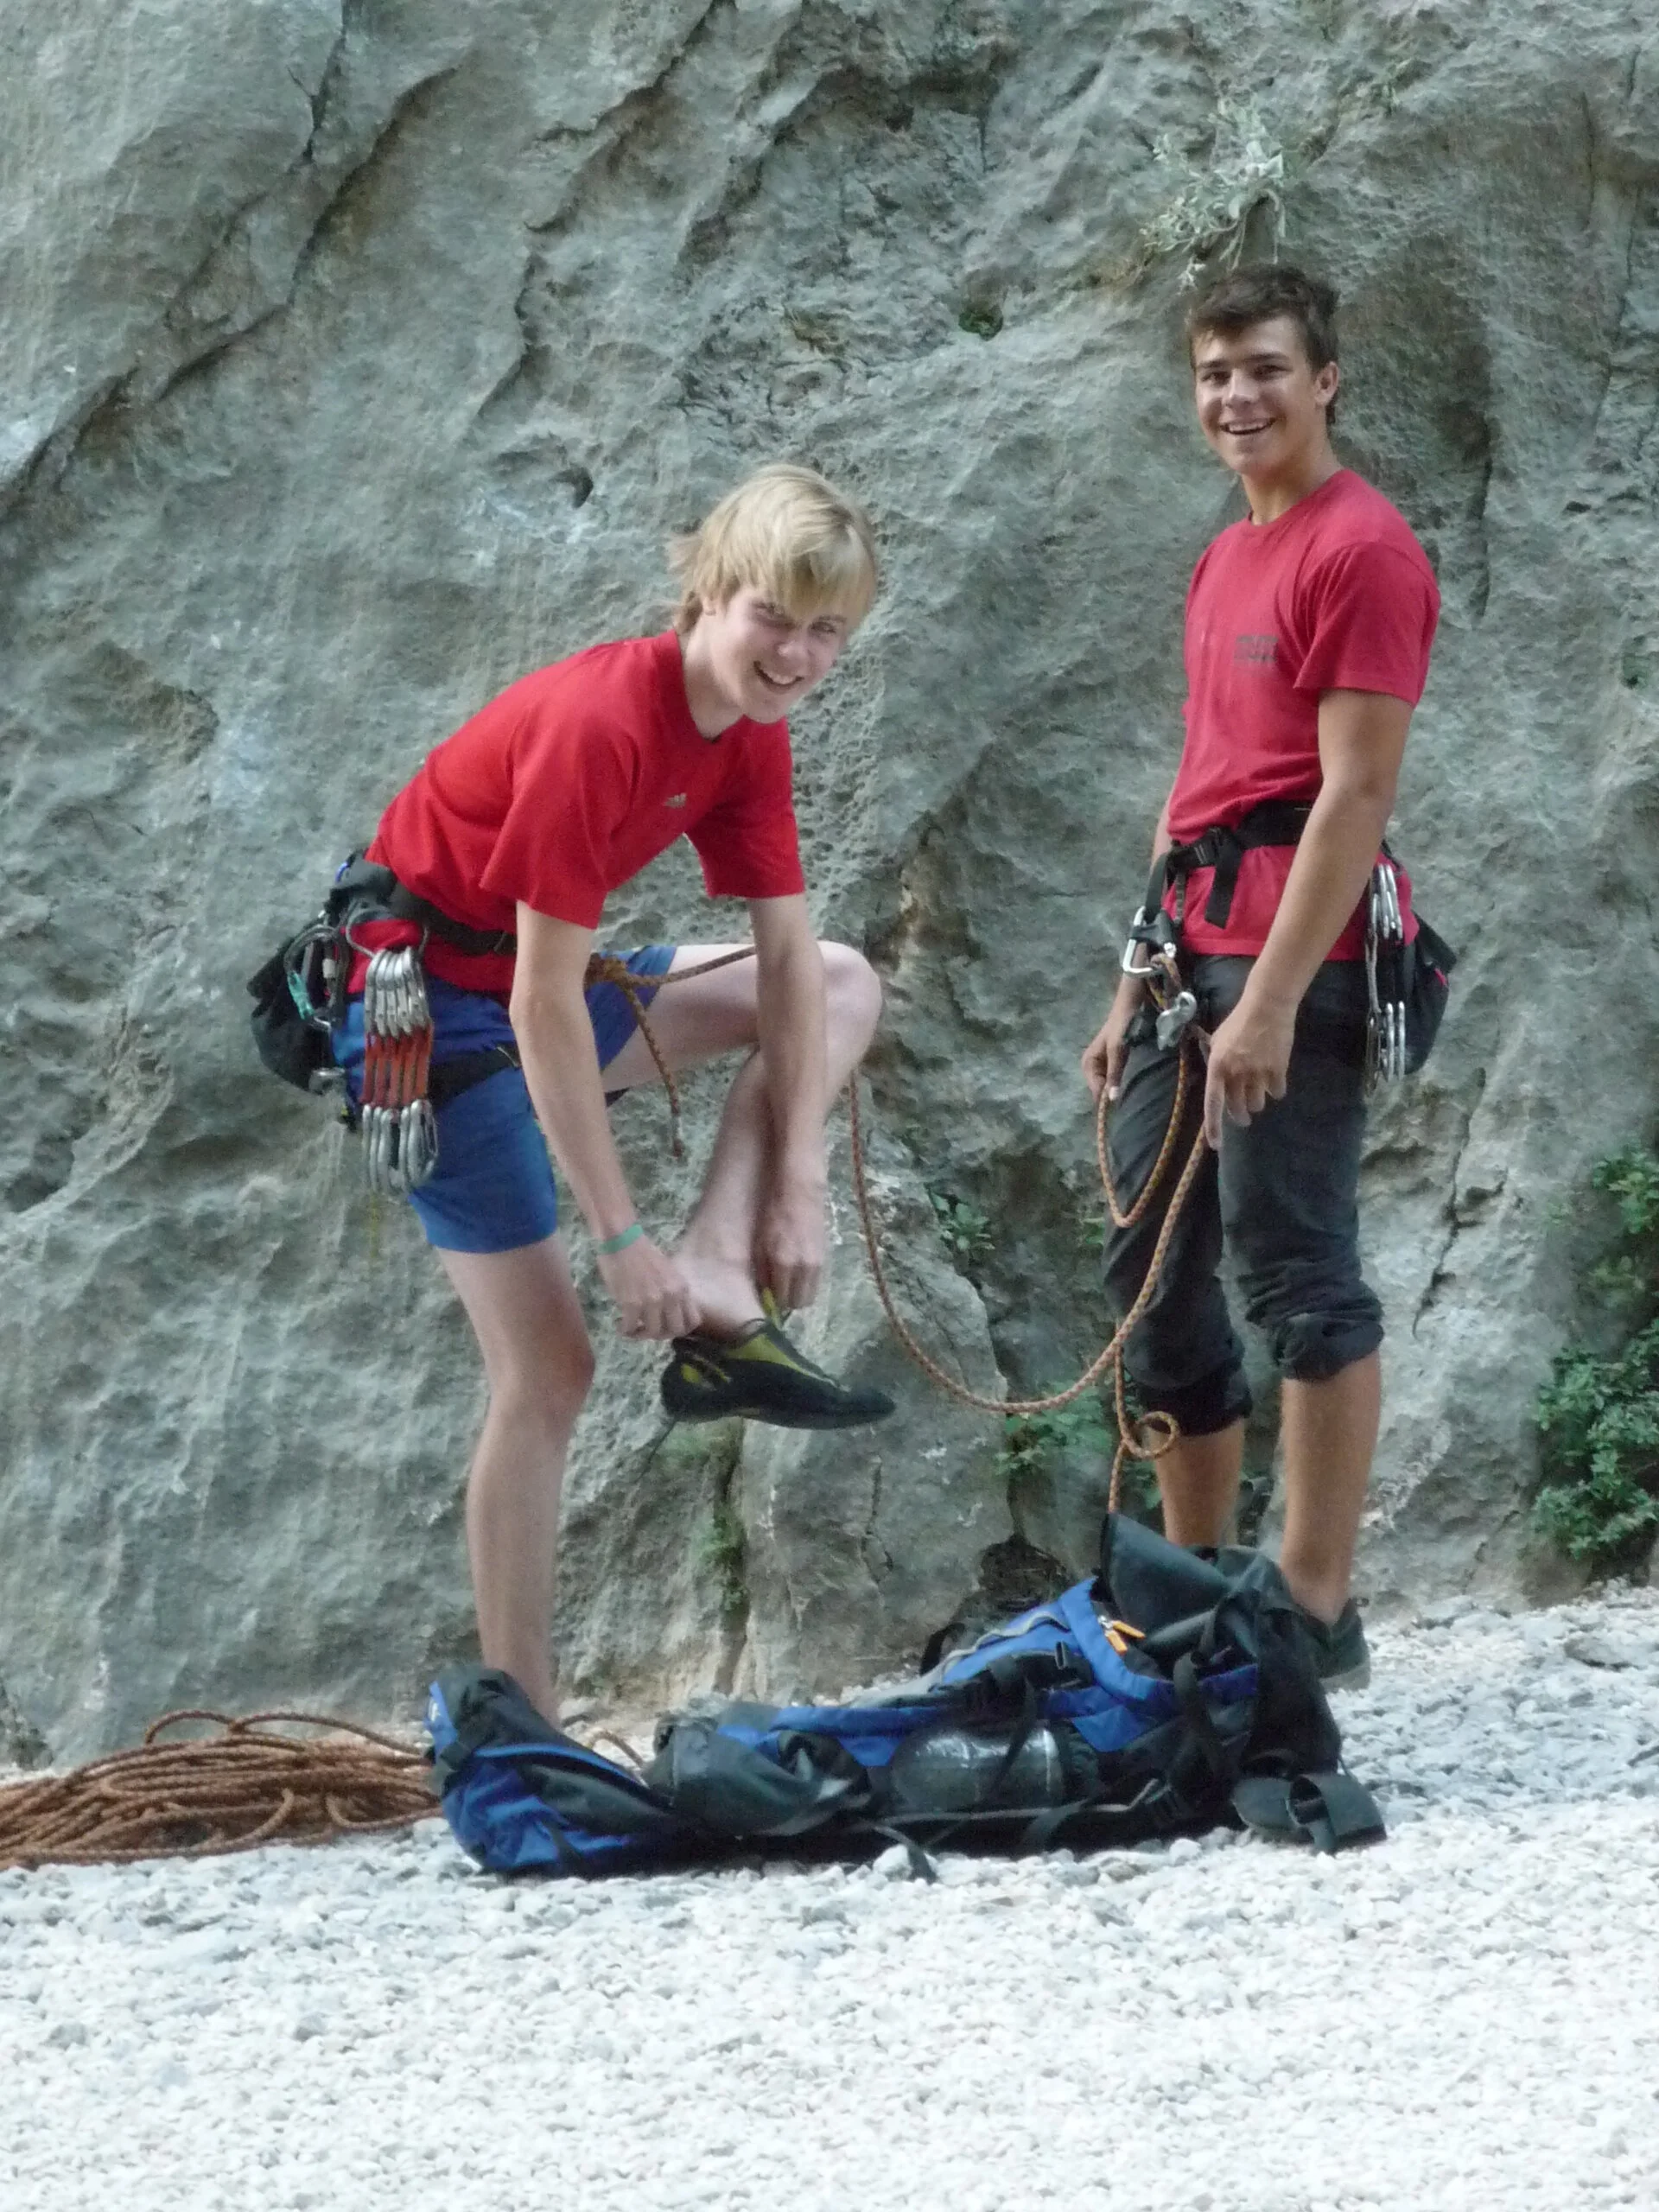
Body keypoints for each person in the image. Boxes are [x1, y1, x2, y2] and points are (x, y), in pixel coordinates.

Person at [334, 463, 893, 1722]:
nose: (797, 654)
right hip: (424, 1012)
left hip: (534, 988)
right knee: (553, 1366)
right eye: (774, 616)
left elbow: (791, 961)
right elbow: (538, 1007)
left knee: (846, 983)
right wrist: (619, 1238)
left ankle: (721, 1274)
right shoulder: (603, 723)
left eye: (827, 631)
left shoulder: (748, 736)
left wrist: (795, 1188)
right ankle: (519, 1727)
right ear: (706, 593)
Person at [1080, 264, 1440, 1689]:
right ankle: (1194, 1582)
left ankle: (1311, 1604)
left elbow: (1351, 798)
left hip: (1302, 955)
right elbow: (1199, 782)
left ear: (1327, 378)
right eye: (1216, 374)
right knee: (1152, 1272)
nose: (1238, 397)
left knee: (1298, 1272)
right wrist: (1132, 979)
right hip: (1189, 949)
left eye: (1267, 370)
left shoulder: (1364, 553)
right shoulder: (1229, 553)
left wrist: (1274, 1001)